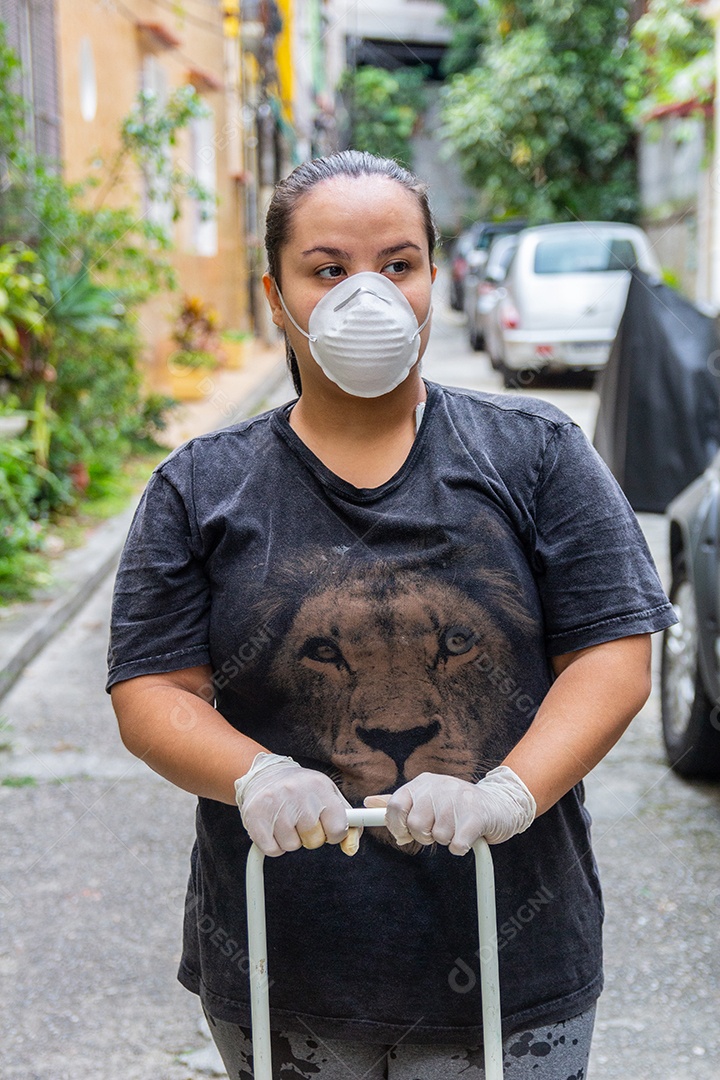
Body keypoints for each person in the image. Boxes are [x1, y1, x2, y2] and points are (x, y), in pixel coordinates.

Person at [107, 150, 676, 1080]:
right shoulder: (200, 486)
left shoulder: (536, 457)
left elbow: (612, 653)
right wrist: (254, 776)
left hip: (511, 957)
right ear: (276, 293)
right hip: (282, 964)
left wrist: (507, 792)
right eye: (328, 269)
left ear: (432, 279)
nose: (364, 296)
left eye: (397, 264)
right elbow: (152, 690)